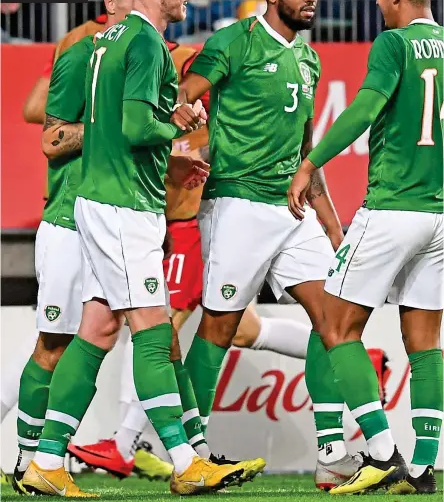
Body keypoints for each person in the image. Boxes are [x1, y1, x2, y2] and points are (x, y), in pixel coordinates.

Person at [20, 0, 256, 497]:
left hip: (99, 201)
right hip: (126, 206)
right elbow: (130, 127)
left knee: (98, 327)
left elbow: (108, 122)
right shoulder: (147, 41)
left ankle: (47, 459)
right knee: (154, 333)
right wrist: (178, 126)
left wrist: (166, 117)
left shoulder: (105, 39)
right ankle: (184, 461)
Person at [67, 41, 311, 480]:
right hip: (177, 227)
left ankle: (125, 443)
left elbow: (218, 147)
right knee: (245, 331)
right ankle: (337, 348)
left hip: (190, 229)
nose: (186, 88)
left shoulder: (213, 108)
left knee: (160, 330)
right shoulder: (175, 94)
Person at [178, 0, 361, 490]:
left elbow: (309, 154)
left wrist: (334, 229)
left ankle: (332, 454)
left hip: (293, 207)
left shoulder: (310, 58)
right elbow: (185, 96)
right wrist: (184, 112)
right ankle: (194, 451)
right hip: (235, 205)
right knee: (220, 326)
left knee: (334, 320)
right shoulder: (232, 42)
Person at [288, 0, 443, 495]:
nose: (376, 1)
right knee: (425, 343)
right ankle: (425, 466)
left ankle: (379, 452)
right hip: (438, 215)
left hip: (393, 207)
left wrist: (311, 163)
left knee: (334, 325)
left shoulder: (393, 43)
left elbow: (362, 109)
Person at [11, 0, 135, 497]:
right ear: (113, 2)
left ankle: (61, 456)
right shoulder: (79, 52)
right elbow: (48, 130)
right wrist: (111, 126)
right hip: (68, 220)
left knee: (116, 332)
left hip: (118, 221)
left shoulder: (147, 59)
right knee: (53, 343)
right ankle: (28, 461)